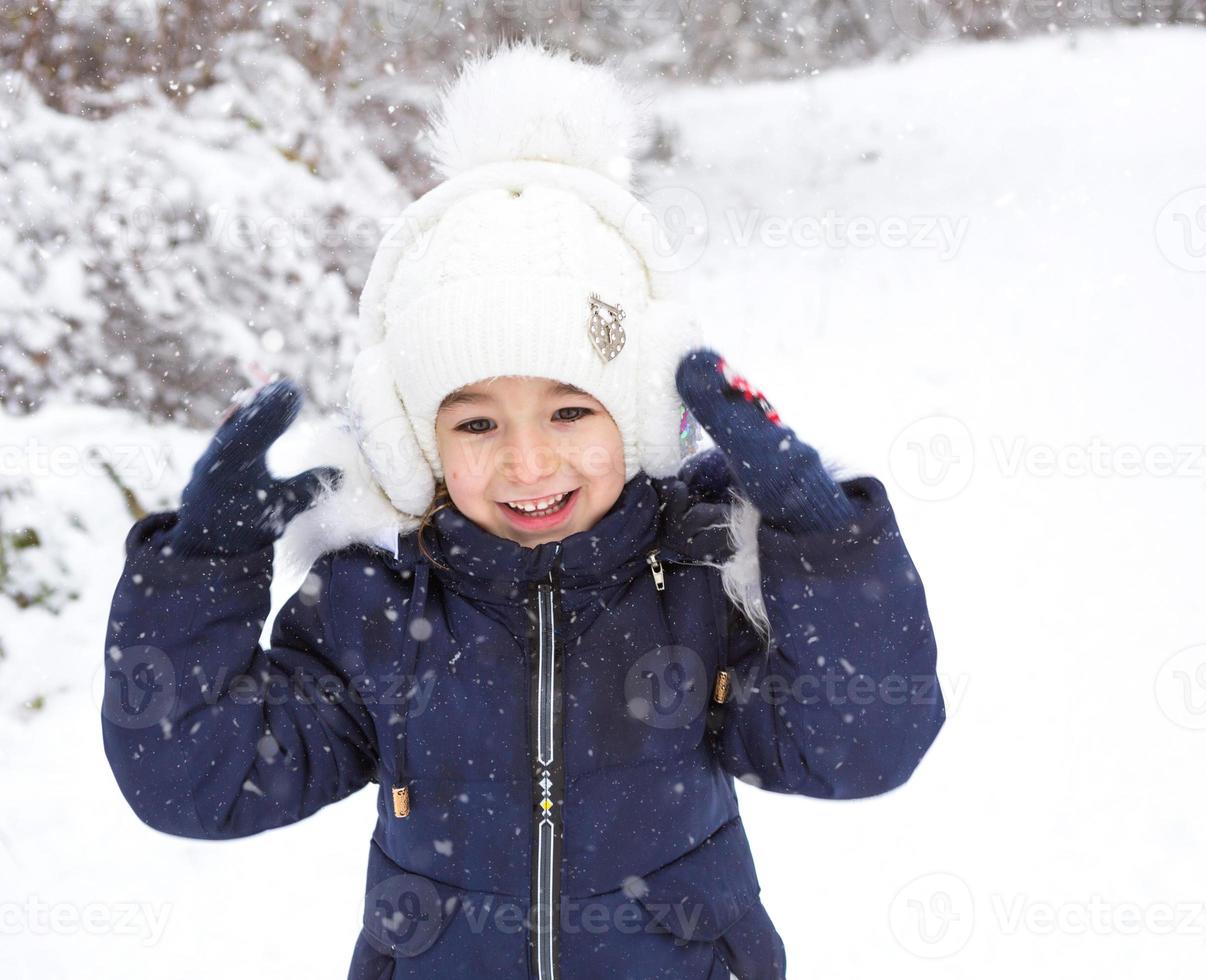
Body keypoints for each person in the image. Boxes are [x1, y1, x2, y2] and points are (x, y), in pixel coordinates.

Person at [99, 40, 945, 980]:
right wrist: (202, 568)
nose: (528, 460)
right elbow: (196, 781)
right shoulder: (375, 605)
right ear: (417, 439)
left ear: (638, 420)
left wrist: (821, 546)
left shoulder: (699, 580)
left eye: (573, 410)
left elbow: (863, 744)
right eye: (475, 422)